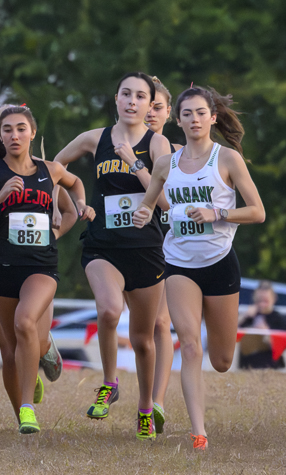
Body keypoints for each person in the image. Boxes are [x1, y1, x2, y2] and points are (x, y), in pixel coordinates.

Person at [132, 86, 265, 450]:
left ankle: (202, 419)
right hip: (178, 264)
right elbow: (150, 206)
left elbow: (258, 211)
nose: (194, 119)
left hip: (220, 263)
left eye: (200, 113)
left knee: (221, 359)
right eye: (187, 114)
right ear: (178, 120)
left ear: (213, 117)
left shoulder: (227, 160)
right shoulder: (165, 164)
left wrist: (216, 213)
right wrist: (143, 213)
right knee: (189, 345)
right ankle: (198, 432)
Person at [0, 105, 93, 435]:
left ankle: (30, 398)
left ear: (32, 132)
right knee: (10, 351)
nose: (14, 135)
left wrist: (78, 207)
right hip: (0, 266)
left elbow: (74, 184)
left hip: (40, 266)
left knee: (26, 321)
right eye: (6, 129)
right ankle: (23, 415)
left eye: (20, 129)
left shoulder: (51, 170)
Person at [54, 72, 173, 439]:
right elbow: (52, 169)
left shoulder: (159, 143)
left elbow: (166, 201)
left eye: (140, 96)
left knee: (142, 338)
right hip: (103, 245)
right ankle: (109, 383)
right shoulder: (96, 138)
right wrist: (73, 205)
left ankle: (145, 409)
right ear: (117, 99)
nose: (132, 101)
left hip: (145, 250)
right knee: (107, 310)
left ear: (150, 104)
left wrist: (135, 165)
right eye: (126, 94)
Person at [143, 76, 182, 428]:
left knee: (160, 323)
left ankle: (157, 402)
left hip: (162, 243)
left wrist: (139, 168)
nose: (150, 112)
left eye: (157, 107)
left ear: (168, 113)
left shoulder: (166, 148)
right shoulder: (114, 141)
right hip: (119, 246)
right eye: (146, 104)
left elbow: (166, 203)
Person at [238, 280, 286, 369]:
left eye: (265, 301)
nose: (262, 304)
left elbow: (281, 347)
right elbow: (232, 335)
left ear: (273, 299)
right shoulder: (249, 317)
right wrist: (244, 317)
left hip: (272, 367)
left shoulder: (279, 319)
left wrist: (267, 334)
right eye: (259, 301)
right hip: (246, 366)